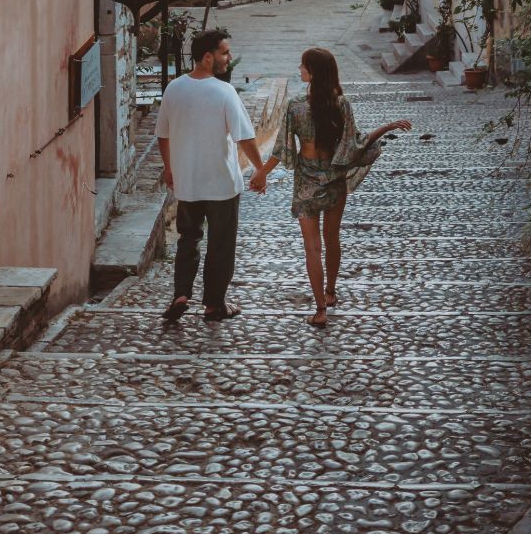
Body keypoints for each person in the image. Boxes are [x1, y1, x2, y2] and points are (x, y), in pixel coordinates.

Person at [248, 47, 412, 327]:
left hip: (306, 184)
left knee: (312, 248)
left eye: (303, 66)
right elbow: (355, 143)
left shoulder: (296, 106)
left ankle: (320, 309)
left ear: (313, 73)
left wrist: (262, 173)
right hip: (334, 178)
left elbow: (282, 149)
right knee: (332, 238)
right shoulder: (341, 104)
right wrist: (385, 127)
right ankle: (331, 291)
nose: (299, 70)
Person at [156, 28, 263, 324]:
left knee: (187, 240)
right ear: (207, 57)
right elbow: (244, 137)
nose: (228, 58)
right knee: (220, 244)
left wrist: (169, 168)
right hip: (221, 184)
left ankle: (181, 293)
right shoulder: (224, 91)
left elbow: (162, 136)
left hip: (187, 182)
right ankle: (215, 305)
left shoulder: (174, 89)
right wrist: (260, 168)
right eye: (224, 53)